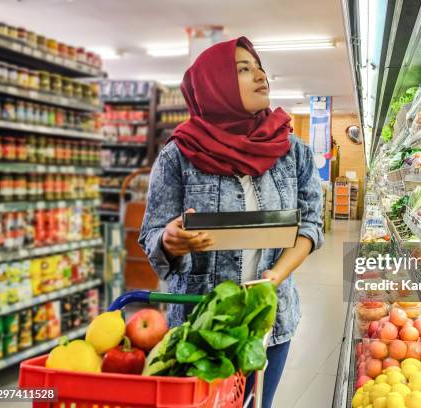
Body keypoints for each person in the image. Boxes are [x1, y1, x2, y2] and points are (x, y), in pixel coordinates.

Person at [138, 36, 324, 407]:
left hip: (270, 319)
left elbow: (311, 226)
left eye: (258, 67)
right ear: (214, 85)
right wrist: (170, 240)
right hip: (199, 326)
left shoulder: (293, 152)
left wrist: (276, 276)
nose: (260, 75)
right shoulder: (178, 155)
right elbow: (152, 234)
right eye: (242, 69)